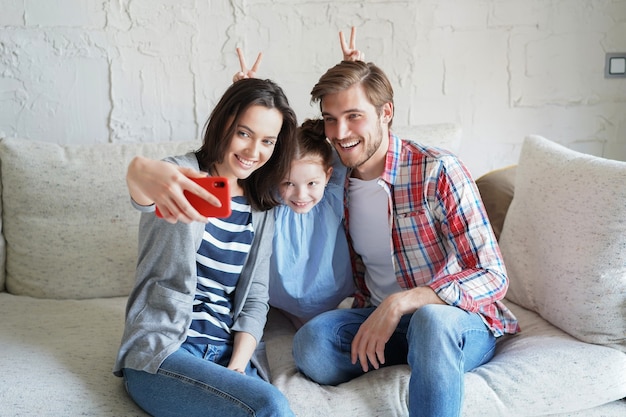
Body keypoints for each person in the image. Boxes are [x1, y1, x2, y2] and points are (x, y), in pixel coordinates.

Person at [291, 28, 521, 417]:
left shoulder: (437, 170)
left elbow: (492, 274)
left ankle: (431, 357)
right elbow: (277, 164)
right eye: (331, 119)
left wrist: (404, 301)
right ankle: (423, 358)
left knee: (430, 322)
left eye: (354, 116)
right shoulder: (334, 180)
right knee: (312, 344)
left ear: (386, 113)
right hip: (385, 320)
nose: (340, 133)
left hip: (458, 322)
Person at [113, 77, 298, 417]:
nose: (253, 152)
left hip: (227, 356)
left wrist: (238, 367)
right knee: (270, 406)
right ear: (223, 123)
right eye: (244, 133)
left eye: (267, 141)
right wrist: (139, 169)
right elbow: (143, 189)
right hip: (166, 349)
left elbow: (255, 299)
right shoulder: (182, 175)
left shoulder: (261, 209)